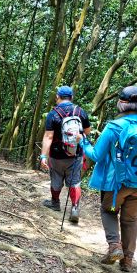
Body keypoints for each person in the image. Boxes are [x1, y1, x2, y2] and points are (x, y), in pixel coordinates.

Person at [79, 86, 137, 272]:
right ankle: (127, 261)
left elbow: (96, 155)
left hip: (116, 184)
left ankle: (114, 246)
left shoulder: (114, 126)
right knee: (130, 219)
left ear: (121, 104)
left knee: (108, 211)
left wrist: (83, 141)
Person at [40, 86, 91, 223]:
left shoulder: (54, 114)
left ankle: (55, 203)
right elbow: (87, 131)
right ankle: (74, 208)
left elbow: (48, 136)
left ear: (57, 97)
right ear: (72, 97)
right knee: (74, 181)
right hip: (76, 154)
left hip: (57, 154)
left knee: (56, 177)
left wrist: (43, 156)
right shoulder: (80, 111)